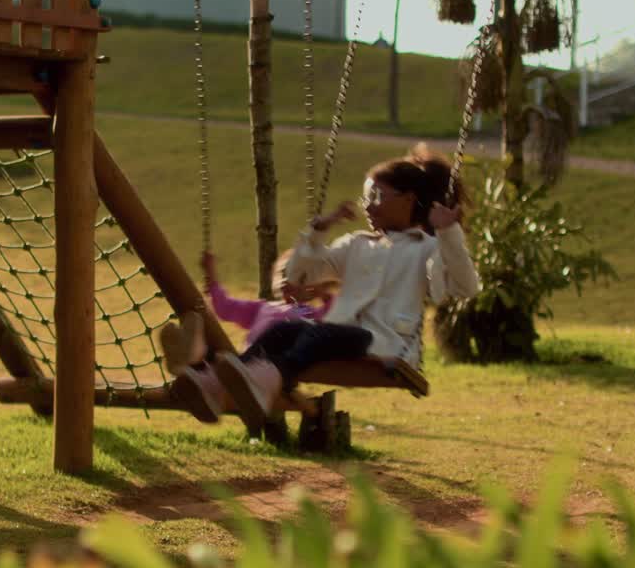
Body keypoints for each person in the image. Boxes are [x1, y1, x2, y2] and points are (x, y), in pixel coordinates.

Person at [172, 144, 481, 429]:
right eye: (365, 199)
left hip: (388, 344)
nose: (368, 208)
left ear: (408, 199)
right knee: (283, 331)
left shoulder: (426, 249)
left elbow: (464, 288)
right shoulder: (358, 245)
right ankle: (215, 384)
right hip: (343, 336)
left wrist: (449, 233)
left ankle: (264, 381)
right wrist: (317, 233)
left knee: (317, 332)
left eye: (376, 197)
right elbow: (300, 276)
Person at [158, 250, 337, 422]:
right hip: (244, 364)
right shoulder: (264, 307)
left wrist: (326, 296)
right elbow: (226, 308)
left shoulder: (309, 313)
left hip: (276, 368)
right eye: (283, 273)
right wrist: (211, 274)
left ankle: (198, 373)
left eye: (299, 277)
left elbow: (336, 318)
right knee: (219, 362)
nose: (286, 280)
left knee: (229, 372)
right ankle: (189, 366)